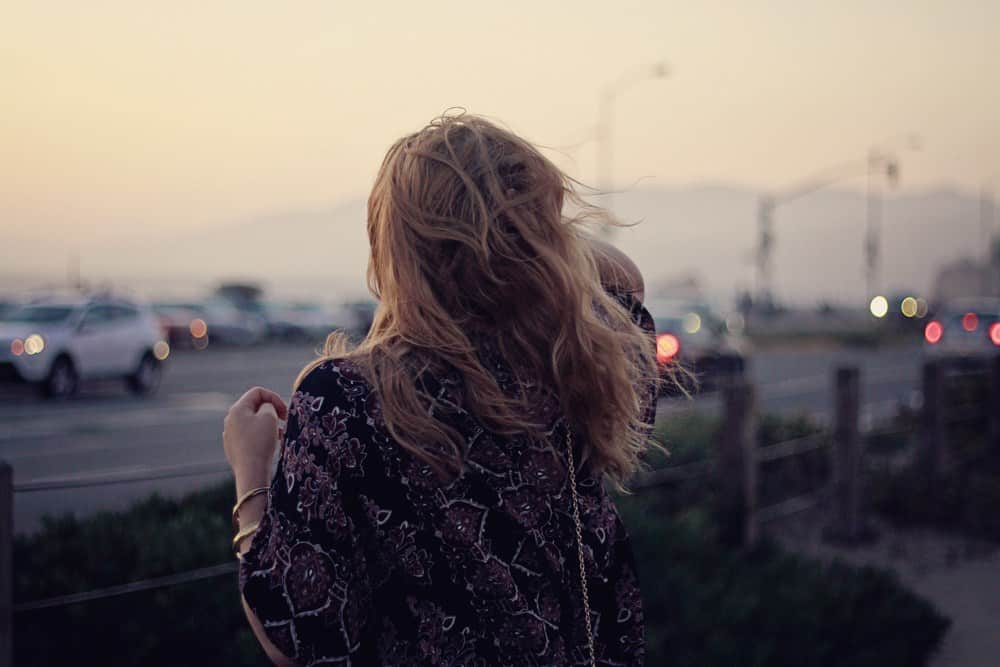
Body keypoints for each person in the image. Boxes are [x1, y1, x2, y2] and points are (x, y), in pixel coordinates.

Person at [223, 113, 661, 666]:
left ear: (395, 245)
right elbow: (626, 280)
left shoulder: (345, 400)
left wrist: (250, 475)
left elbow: (299, 638)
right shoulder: (574, 369)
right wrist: (526, 247)